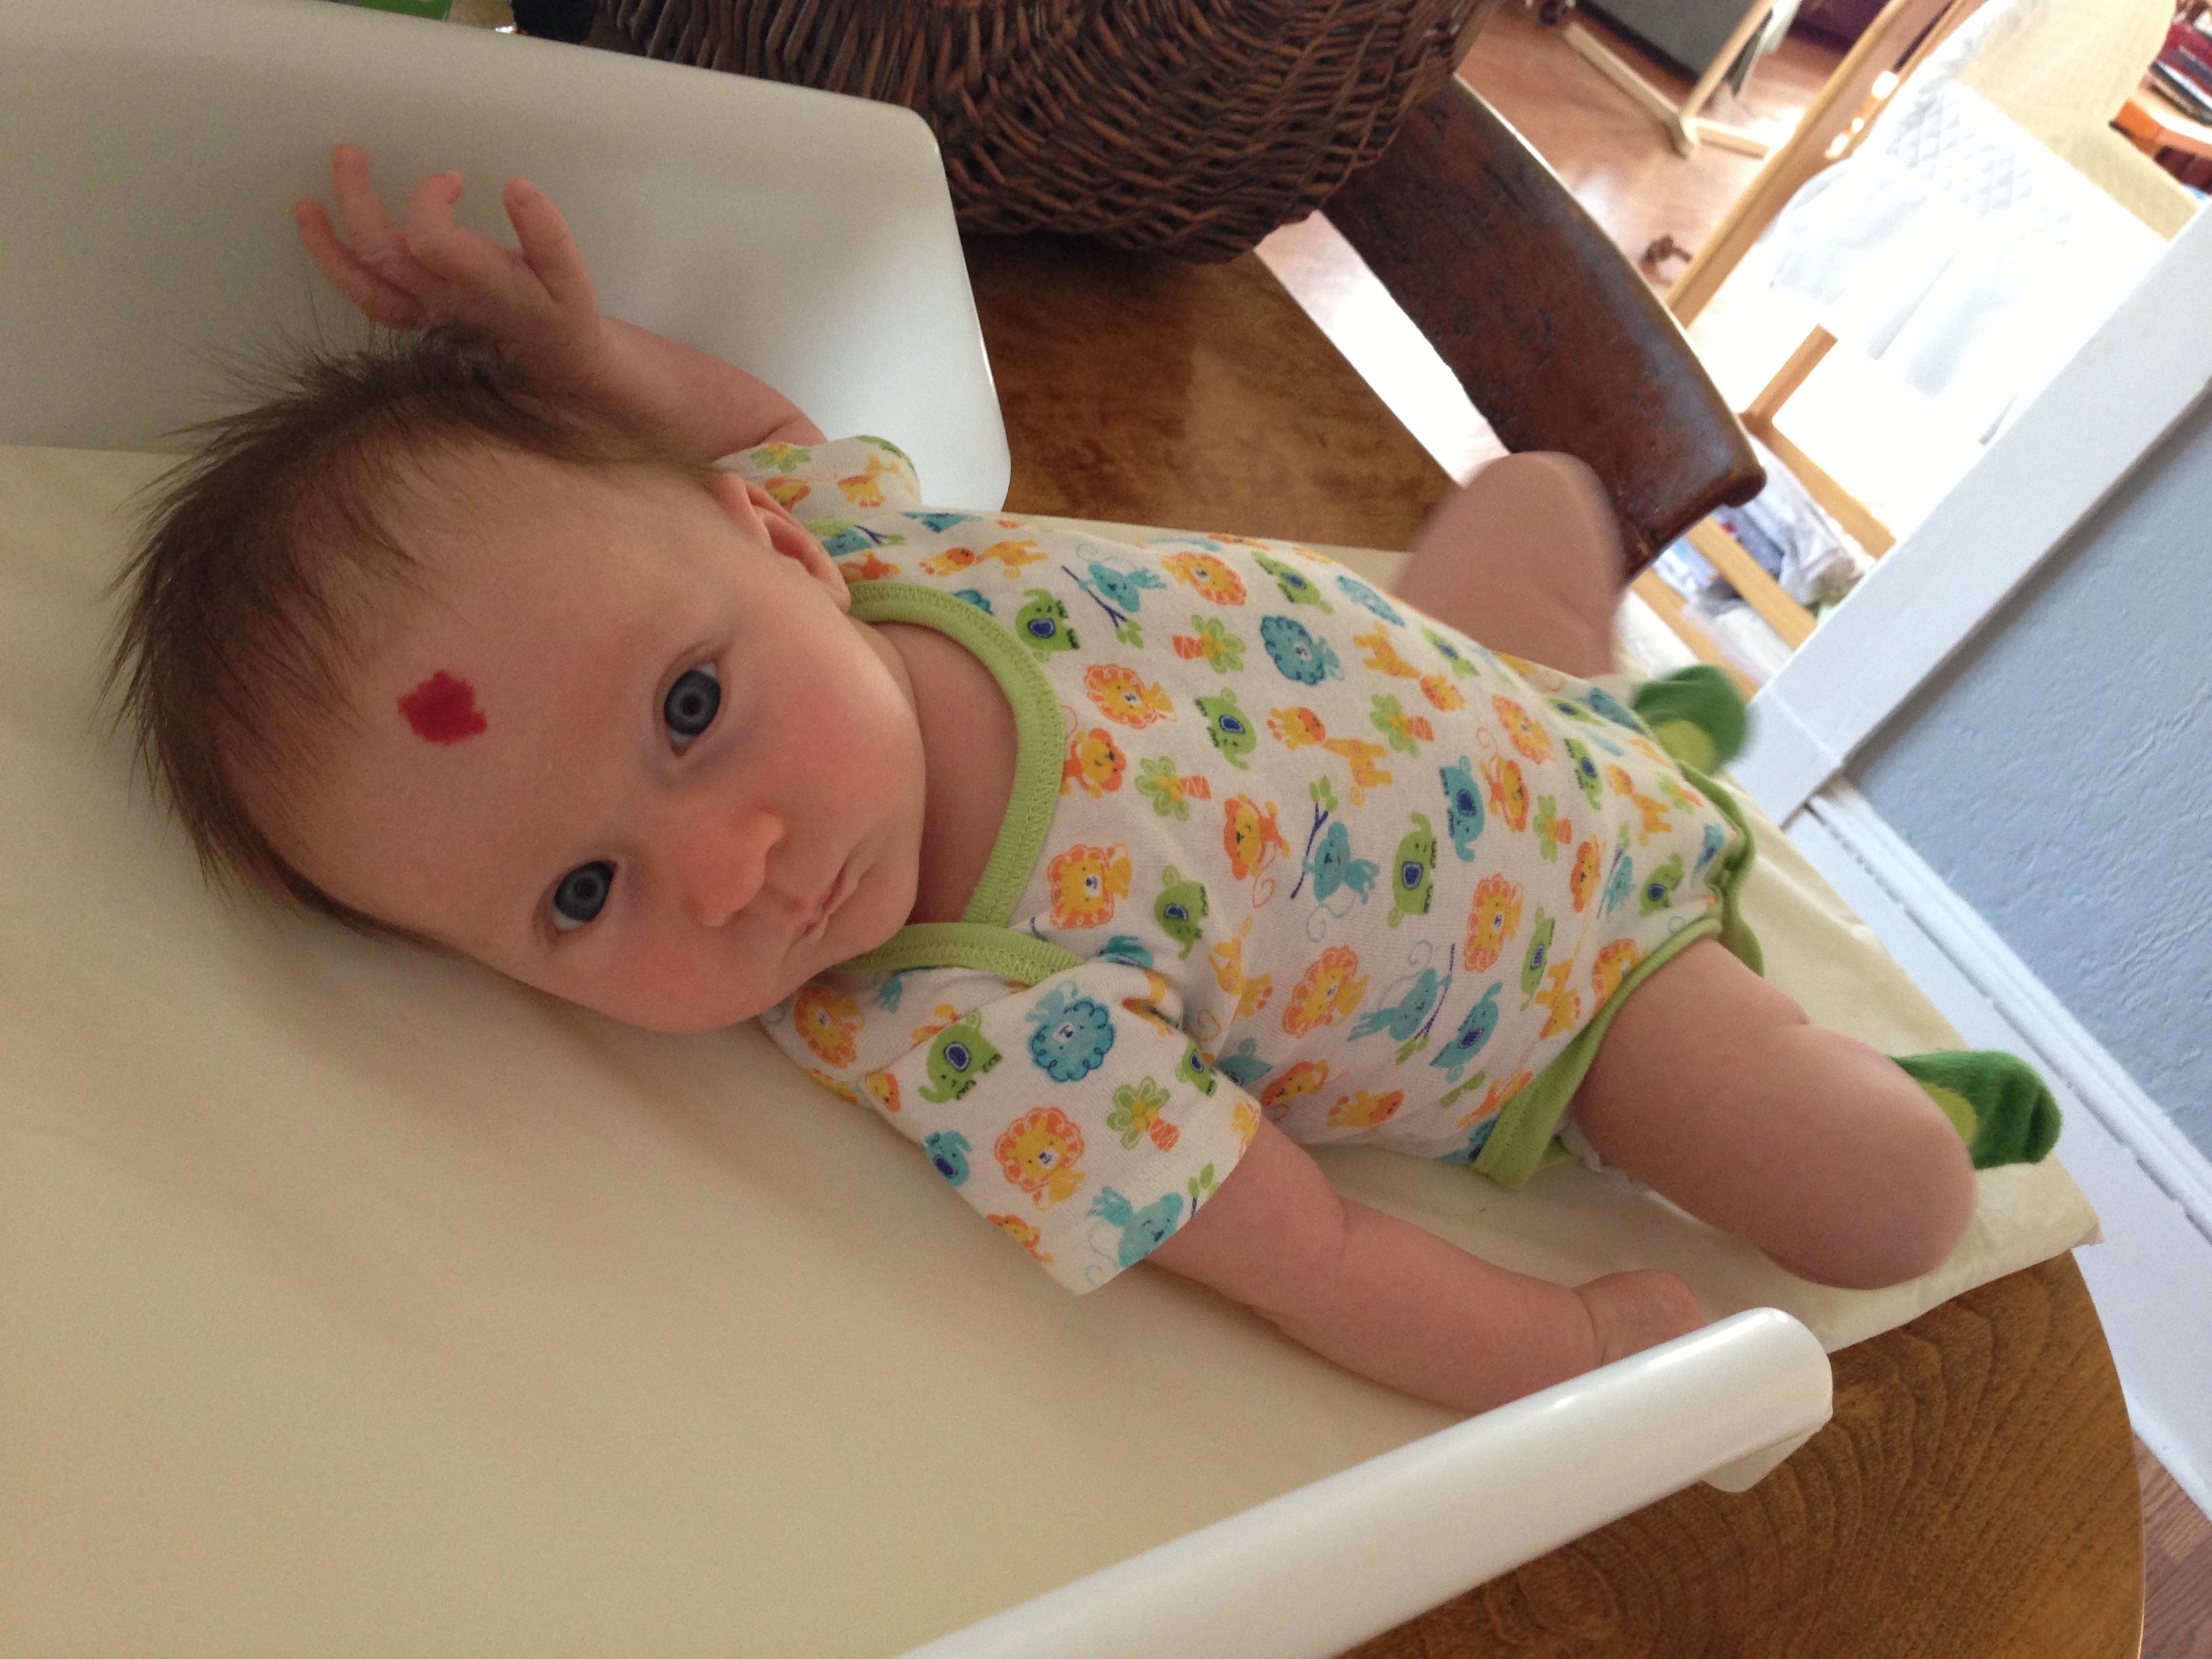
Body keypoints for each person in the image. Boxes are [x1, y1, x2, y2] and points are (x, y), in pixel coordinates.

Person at [113, 149, 2060, 1418]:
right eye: (581, 895)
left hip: (1460, 671)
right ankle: (1722, 923)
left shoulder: (856, 544)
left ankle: (1579, 680)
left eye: (691, 707)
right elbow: (1313, 1259)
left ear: (771, 548)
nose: (729, 868)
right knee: (1886, 1198)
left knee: (1538, 493)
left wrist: (577, 355)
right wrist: (1569, 1347)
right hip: (1573, 976)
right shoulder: (980, 1030)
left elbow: (756, 423)